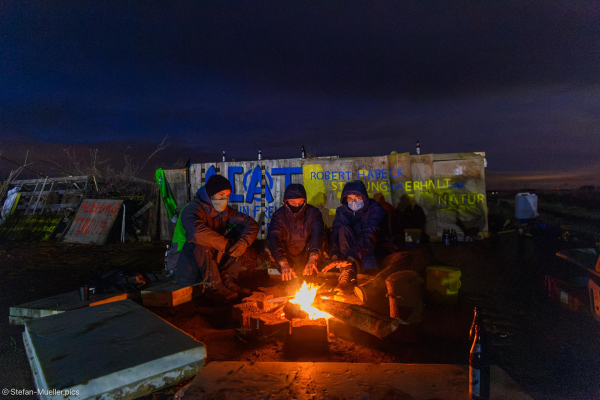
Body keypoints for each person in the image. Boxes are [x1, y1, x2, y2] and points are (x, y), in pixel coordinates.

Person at [172, 175, 259, 301]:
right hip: (186, 264)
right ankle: (214, 286)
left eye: (228, 195)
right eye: (221, 194)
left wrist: (243, 242)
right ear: (210, 194)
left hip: (210, 259)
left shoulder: (224, 211)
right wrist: (227, 246)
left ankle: (227, 280)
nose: (225, 199)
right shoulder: (191, 209)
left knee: (240, 232)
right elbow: (196, 233)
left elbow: (250, 224)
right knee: (201, 239)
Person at [328, 180, 397, 290]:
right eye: (350, 199)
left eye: (357, 198)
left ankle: (368, 281)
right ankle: (347, 274)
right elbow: (335, 234)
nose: (353, 202)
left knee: (366, 244)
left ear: (364, 197)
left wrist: (351, 257)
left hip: (375, 245)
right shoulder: (342, 211)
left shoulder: (375, 209)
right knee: (343, 229)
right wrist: (334, 256)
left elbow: (369, 234)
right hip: (352, 247)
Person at [266, 184, 325, 281]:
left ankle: (310, 272)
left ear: (305, 201)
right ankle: (288, 275)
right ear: (286, 202)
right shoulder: (279, 216)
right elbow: (273, 237)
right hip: (287, 255)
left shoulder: (313, 213)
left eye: (300, 202)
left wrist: (312, 258)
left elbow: (317, 233)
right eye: (293, 203)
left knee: (322, 240)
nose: (297, 206)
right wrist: (283, 263)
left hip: (307, 254)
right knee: (269, 246)